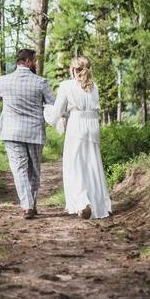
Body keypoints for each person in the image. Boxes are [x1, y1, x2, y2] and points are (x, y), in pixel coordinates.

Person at [44, 55, 112, 219]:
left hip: (76, 125)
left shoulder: (66, 85)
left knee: (74, 165)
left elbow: (57, 112)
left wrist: (46, 109)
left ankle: (82, 203)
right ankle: (99, 204)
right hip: (92, 125)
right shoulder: (93, 86)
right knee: (92, 164)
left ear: (73, 69)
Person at [0, 48, 55, 219]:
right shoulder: (41, 82)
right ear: (27, 61)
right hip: (34, 132)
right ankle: (30, 204)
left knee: (19, 170)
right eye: (34, 61)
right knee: (34, 170)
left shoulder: (3, 80)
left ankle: (27, 205)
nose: (36, 63)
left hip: (11, 132)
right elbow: (52, 103)